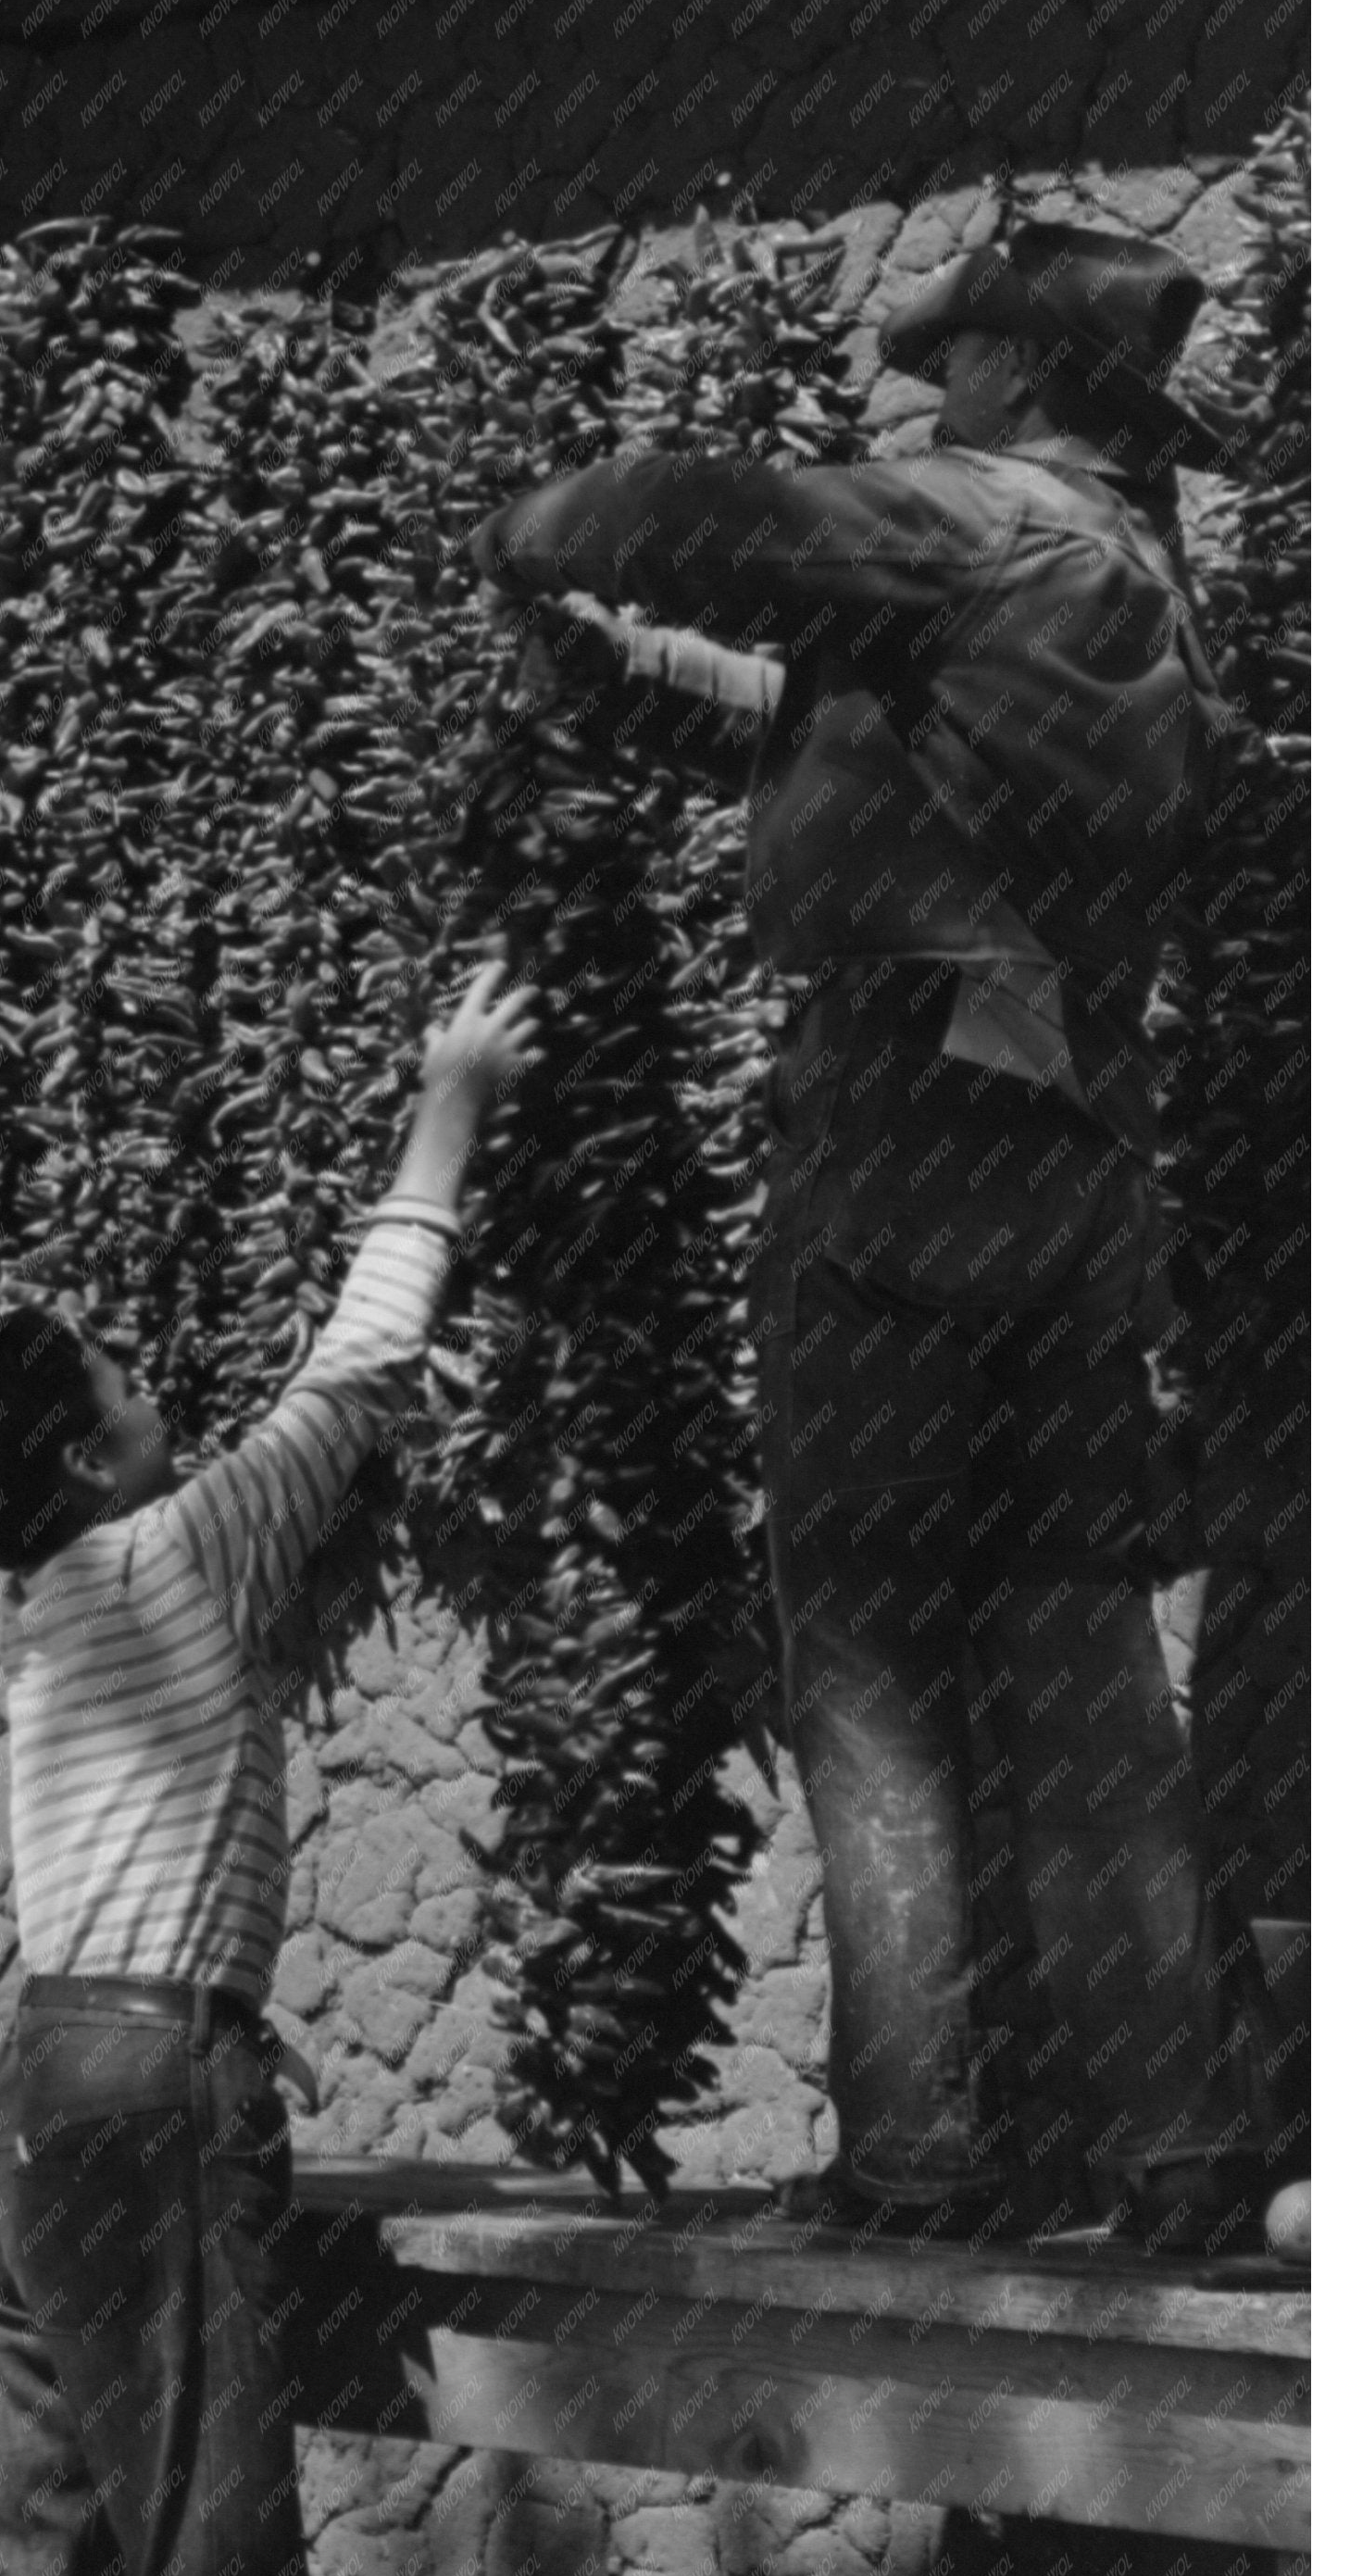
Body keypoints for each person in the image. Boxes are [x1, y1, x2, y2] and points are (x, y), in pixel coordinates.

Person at [469, 221, 1268, 2247]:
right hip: (1070, 1151)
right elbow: (841, 743)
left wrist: (533, 523)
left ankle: (920, 2158)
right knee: (1075, 1663)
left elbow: (664, 516)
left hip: (905, 1133)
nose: (930, 385)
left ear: (1022, 371)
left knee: (873, 1658)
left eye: (960, 353)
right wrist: (626, 675)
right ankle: (1177, 2154)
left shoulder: (973, 524)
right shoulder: (1125, 583)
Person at [0, 958, 538, 2576]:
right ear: (87, 1455)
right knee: (207, 2574)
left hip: (31, 2103)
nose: (166, 1387)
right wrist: (455, 1096)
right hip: (143, 2109)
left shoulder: (52, 1613)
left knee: (27, 2559)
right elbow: (360, 1366)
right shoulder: (174, 1549)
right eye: (129, 1382)